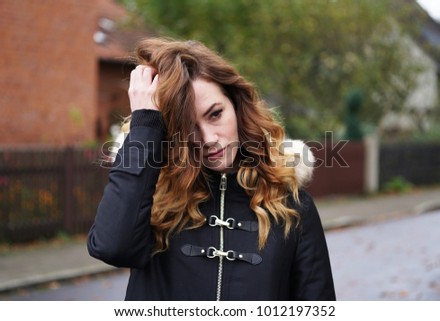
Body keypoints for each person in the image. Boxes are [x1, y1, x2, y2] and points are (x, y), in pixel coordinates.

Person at [87, 37, 335, 301]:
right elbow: (112, 247)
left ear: (237, 105)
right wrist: (145, 125)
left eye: (215, 114)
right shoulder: (153, 197)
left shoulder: (293, 207)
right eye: (187, 127)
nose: (207, 139)